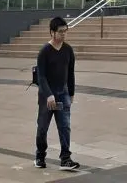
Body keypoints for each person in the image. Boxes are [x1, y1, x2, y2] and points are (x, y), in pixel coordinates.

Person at [35, 16, 80, 171]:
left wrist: (71, 93)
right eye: (60, 31)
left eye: (65, 31)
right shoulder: (44, 52)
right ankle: (40, 156)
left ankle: (65, 159)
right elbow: (41, 77)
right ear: (52, 32)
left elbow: (71, 73)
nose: (63, 34)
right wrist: (48, 95)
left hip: (63, 94)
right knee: (42, 128)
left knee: (65, 127)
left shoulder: (68, 50)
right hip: (46, 97)